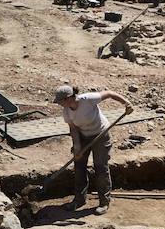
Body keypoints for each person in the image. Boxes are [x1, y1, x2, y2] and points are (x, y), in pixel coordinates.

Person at [53, 85, 133, 215]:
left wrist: (127, 103)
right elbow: (73, 129)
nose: (59, 104)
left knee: (101, 167)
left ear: (68, 98)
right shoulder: (67, 111)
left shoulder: (87, 99)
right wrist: (77, 147)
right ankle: (79, 200)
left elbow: (110, 93)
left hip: (101, 134)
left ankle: (104, 202)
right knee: (79, 167)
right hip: (83, 136)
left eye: (60, 101)